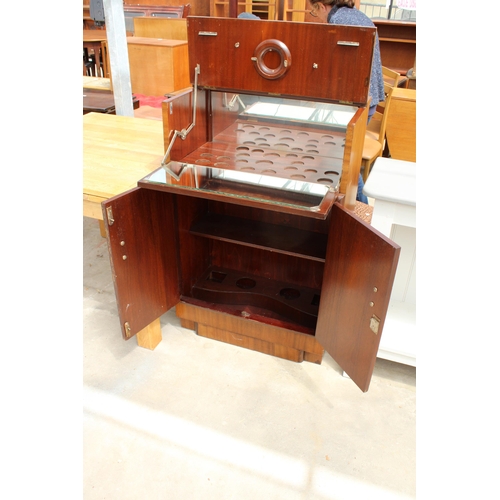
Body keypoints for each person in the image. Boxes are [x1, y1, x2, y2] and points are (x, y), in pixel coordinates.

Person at [308, 0, 384, 203]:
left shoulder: (340, 21)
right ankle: (359, 211)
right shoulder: (357, 15)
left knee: (343, 161)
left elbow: (339, 68)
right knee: (345, 158)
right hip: (367, 99)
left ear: (321, 6)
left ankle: (359, 212)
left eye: (315, 12)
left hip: (355, 102)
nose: (320, 19)